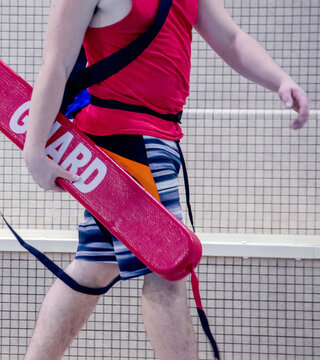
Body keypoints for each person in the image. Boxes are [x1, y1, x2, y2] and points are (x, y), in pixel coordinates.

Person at [22, 0, 310, 359]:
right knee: (166, 270)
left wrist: (281, 79)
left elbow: (232, 39)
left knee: (95, 264)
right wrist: (34, 149)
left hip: (161, 138)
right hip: (128, 141)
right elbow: (58, 62)